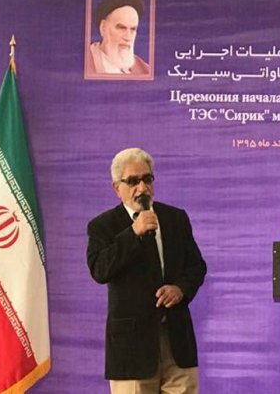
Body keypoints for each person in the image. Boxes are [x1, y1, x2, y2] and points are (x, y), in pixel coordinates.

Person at [87, 148, 206, 394]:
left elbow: (196, 266)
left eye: (147, 179)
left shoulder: (175, 218)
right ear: (117, 188)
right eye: (132, 181)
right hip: (132, 349)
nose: (142, 188)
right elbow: (99, 269)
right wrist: (133, 233)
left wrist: (180, 289)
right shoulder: (102, 225)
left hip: (177, 343)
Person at [87, 0, 151, 75]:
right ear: (103, 28)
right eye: (122, 28)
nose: (128, 37)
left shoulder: (145, 70)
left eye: (133, 29)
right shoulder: (84, 62)